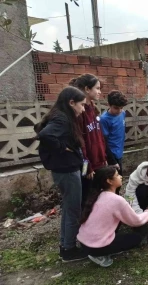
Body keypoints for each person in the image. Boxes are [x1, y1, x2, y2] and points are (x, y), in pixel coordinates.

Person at [34, 86, 88, 262]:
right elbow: (44, 135)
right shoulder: (62, 119)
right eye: (81, 105)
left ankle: (66, 245)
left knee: (68, 209)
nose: (83, 109)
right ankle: (69, 250)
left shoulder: (60, 115)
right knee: (73, 210)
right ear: (71, 102)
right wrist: (62, 148)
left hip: (65, 170)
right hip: (67, 171)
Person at [77, 166, 148, 267]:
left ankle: (103, 248)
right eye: (117, 175)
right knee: (137, 238)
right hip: (95, 247)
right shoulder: (116, 200)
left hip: (84, 243)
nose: (121, 177)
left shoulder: (98, 195)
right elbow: (136, 221)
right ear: (109, 181)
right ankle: (99, 255)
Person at [69, 74, 107, 207]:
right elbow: (80, 143)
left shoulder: (93, 109)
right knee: (87, 196)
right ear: (87, 89)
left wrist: (104, 157)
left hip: (99, 162)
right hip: (87, 166)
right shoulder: (80, 111)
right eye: (97, 88)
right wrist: (88, 167)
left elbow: (99, 137)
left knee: (98, 195)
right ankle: (84, 224)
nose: (100, 91)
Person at [100, 90, 127, 194]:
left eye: (121, 108)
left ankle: (116, 198)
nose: (119, 110)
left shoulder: (123, 113)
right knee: (113, 182)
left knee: (119, 179)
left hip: (119, 151)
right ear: (109, 105)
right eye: (116, 108)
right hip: (111, 154)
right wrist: (112, 160)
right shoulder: (104, 119)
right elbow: (104, 142)